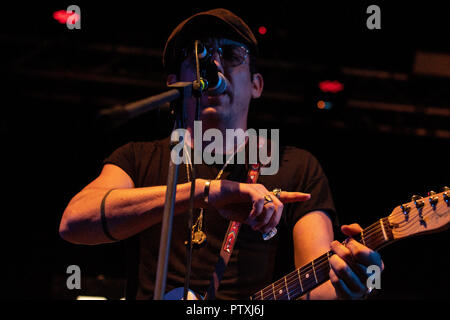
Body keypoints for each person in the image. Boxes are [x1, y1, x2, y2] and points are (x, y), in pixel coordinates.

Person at [59, 8, 383, 300]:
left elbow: (319, 282)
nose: (214, 65)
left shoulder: (295, 166)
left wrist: (348, 283)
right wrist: (205, 192)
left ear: (256, 85)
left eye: (230, 54)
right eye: (198, 55)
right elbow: (74, 222)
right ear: (174, 83)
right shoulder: (139, 158)